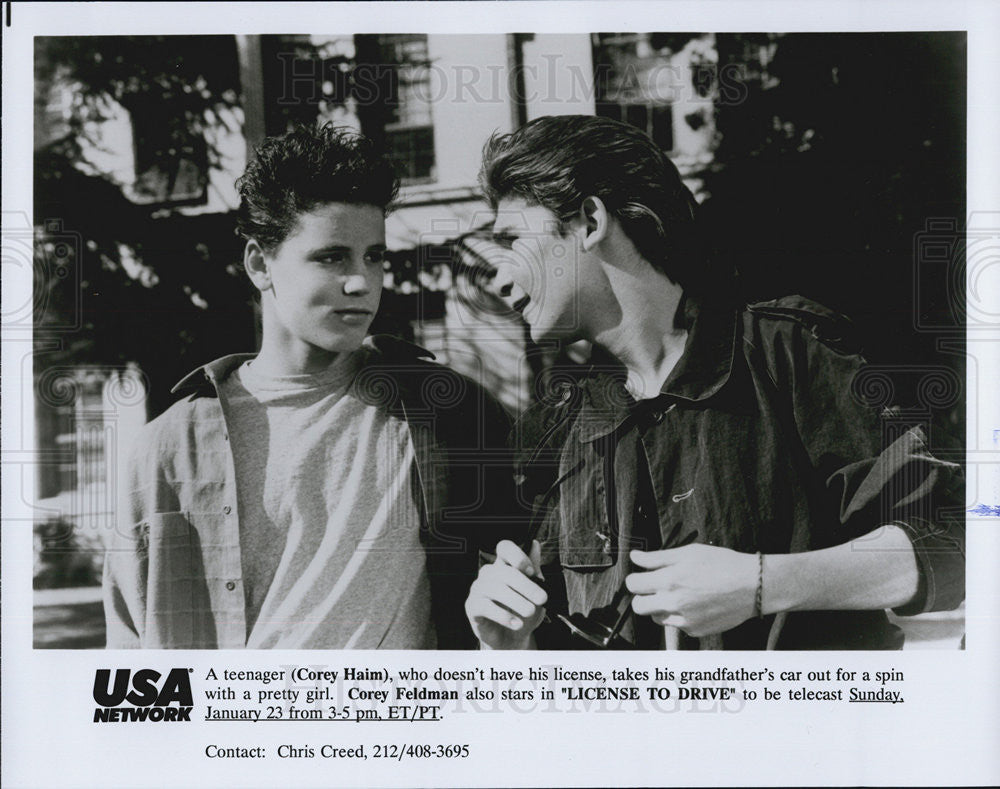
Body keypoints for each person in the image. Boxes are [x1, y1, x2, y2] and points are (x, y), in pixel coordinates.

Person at [464, 115, 965, 650]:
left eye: (511, 240)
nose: (497, 275)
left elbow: (954, 539)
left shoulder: (787, 356)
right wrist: (509, 643)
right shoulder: (555, 426)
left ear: (589, 221)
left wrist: (761, 585)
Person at [104, 124, 516, 649]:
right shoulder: (168, 447)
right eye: (331, 256)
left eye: (375, 256)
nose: (361, 281)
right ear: (260, 264)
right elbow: (129, 645)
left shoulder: (447, 411)